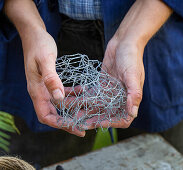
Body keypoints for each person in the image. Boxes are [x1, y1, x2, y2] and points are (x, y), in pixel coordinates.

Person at [1, 0, 183, 159]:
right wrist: (30, 30)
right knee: (42, 154)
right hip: (45, 33)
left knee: (159, 155)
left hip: (152, 35)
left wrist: (132, 39)